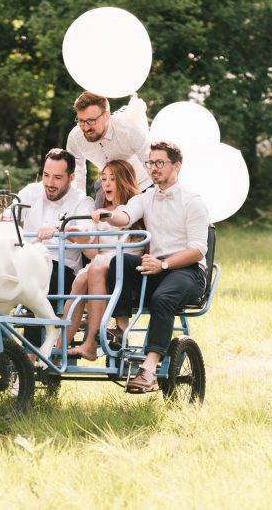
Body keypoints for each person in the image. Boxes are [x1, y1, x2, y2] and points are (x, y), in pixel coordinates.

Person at [91, 141, 209, 392]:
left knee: (162, 297)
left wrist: (164, 263)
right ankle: (121, 330)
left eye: (159, 163)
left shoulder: (193, 201)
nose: (153, 169)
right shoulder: (146, 198)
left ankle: (149, 370)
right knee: (120, 260)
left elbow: (198, 250)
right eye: (150, 163)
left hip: (187, 270)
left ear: (176, 166)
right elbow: (126, 215)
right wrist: (109, 216)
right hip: (155, 268)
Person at [59, 160, 145, 360]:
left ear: (123, 181)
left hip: (125, 269)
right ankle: (59, 347)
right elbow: (93, 251)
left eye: (112, 179)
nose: (106, 184)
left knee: (95, 270)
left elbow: (124, 222)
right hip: (102, 263)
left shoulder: (134, 208)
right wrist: (77, 237)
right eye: (103, 179)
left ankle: (90, 342)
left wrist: (107, 216)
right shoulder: (100, 210)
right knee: (82, 278)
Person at [13, 148, 95, 348]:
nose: (50, 183)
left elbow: (85, 234)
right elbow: (9, 217)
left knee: (37, 288)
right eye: (46, 175)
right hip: (26, 262)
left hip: (60, 268)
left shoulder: (83, 202)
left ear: (72, 177)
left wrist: (60, 229)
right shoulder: (30, 192)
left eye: (58, 178)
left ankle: (29, 358)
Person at [66, 91, 152, 205]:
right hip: (108, 190)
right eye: (81, 121)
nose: (85, 128)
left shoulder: (129, 130)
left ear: (106, 116)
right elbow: (77, 172)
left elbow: (151, 162)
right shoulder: (75, 137)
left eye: (91, 121)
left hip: (142, 185)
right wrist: (78, 204)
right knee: (96, 220)